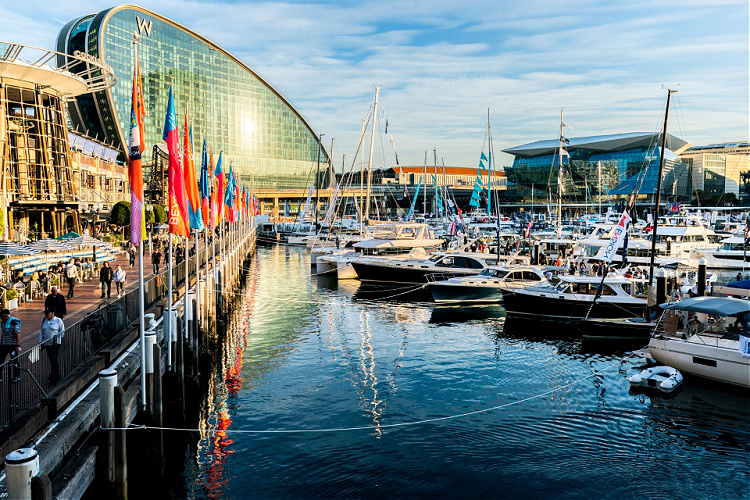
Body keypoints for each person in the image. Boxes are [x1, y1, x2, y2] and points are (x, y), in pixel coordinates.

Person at [39, 308, 65, 385]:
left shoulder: (58, 320)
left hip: (55, 343)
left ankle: (55, 373)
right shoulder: (44, 320)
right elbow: (41, 331)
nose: (46, 315)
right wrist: (40, 341)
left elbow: (62, 331)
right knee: (51, 358)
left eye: (47, 313)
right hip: (47, 343)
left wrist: (58, 339)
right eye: (45, 313)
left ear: (52, 313)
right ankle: (53, 372)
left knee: (54, 358)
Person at [0, 308, 21, 382]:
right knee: (0, 360)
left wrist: (17, 345)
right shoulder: (2, 323)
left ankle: (17, 376)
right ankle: (0, 376)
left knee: (14, 361)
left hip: (12, 345)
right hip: (4, 345)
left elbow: (18, 334)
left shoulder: (14, 323)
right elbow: (3, 333)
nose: (0, 317)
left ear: (6, 316)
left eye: (1, 316)